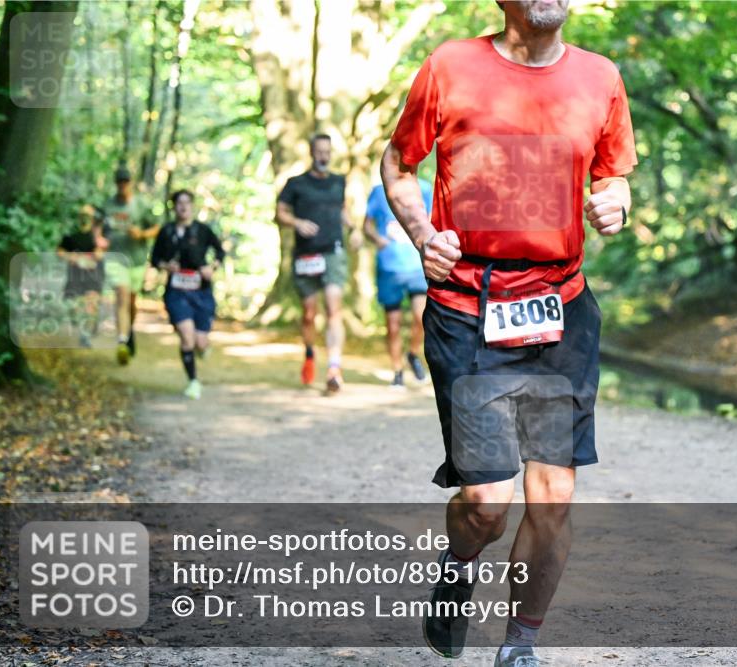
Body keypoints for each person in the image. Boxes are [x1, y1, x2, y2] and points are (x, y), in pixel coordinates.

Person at [380, 0, 636, 664]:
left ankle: (520, 643)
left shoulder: (601, 77)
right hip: (468, 307)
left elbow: (613, 172)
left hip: (562, 307)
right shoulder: (449, 65)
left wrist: (617, 198)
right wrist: (421, 232)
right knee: (486, 504)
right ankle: (459, 564)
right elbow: (398, 163)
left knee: (551, 496)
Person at [275, 133, 358, 393]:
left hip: (333, 250)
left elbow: (342, 209)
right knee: (309, 314)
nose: (324, 156)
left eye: (327, 152)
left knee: (334, 308)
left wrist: (353, 228)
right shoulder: (295, 184)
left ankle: (334, 368)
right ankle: (310, 354)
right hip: (306, 255)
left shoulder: (338, 181)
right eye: (319, 151)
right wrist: (297, 223)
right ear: (311, 153)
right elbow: (279, 213)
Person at [150, 190, 225, 400]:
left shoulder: (202, 230)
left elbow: (220, 252)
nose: (183, 207)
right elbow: (155, 259)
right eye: (179, 203)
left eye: (187, 203)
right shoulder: (166, 231)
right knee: (187, 336)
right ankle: (193, 381)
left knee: (201, 342)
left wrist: (212, 267)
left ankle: (201, 349)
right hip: (176, 292)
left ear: (192, 206)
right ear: (174, 207)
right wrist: (166, 266)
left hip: (201, 292)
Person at [363, 179, 433, 388]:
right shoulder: (378, 190)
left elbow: (431, 222)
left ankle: (412, 354)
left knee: (422, 318)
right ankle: (397, 371)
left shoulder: (425, 188)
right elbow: (367, 226)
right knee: (392, 326)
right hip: (389, 267)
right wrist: (378, 240)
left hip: (416, 266)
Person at [102, 165, 159, 365]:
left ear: (131, 183)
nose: (122, 185)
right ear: (116, 183)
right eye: (120, 181)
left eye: (126, 181)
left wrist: (142, 234)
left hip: (136, 260)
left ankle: (129, 331)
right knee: (121, 297)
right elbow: (98, 229)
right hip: (115, 259)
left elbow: (156, 227)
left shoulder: (141, 205)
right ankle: (122, 342)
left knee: (131, 302)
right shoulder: (108, 205)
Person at [56, 204, 107, 347]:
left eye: (89, 215)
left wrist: (93, 255)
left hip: (93, 276)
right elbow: (59, 251)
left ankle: (85, 335)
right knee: (73, 305)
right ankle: (82, 324)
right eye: (83, 214)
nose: (85, 218)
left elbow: (100, 253)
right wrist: (70, 257)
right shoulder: (71, 235)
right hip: (75, 276)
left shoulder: (98, 234)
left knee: (91, 303)